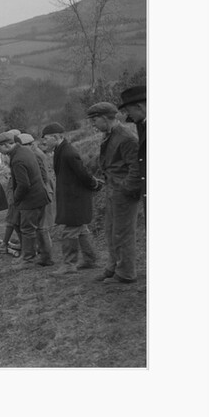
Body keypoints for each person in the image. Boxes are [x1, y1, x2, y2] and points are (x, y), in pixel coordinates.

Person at [87, 101, 142, 284]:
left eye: (94, 120)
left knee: (123, 233)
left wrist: (126, 188)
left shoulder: (126, 137)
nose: (92, 124)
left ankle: (126, 272)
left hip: (124, 192)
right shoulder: (109, 135)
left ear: (104, 118)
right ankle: (112, 267)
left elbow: (136, 167)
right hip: (114, 189)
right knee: (111, 230)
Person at [40, 122, 101, 275]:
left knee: (69, 231)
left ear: (55, 137)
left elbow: (83, 174)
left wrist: (94, 184)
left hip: (76, 198)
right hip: (72, 197)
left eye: (46, 139)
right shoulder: (61, 151)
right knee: (81, 229)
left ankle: (69, 264)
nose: (43, 142)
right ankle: (90, 259)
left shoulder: (68, 153)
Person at [0, 131, 54, 267]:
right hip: (40, 196)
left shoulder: (17, 159)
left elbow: (24, 184)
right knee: (40, 229)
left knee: (27, 230)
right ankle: (46, 258)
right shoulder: (25, 152)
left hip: (30, 199)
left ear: (7, 145)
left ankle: (28, 259)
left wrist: (16, 198)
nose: (0, 152)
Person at [19, 133, 55, 261]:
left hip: (43, 191)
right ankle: (42, 253)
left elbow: (43, 176)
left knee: (42, 226)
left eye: (23, 146)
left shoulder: (36, 155)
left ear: (31, 144)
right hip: (43, 191)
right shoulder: (34, 153)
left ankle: (46, 257)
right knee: (40, 226)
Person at [119, 85, 147, 217]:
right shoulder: (141, 125)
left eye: (128, 111)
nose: (128, 115)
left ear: (139, 107)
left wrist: (127, 186)